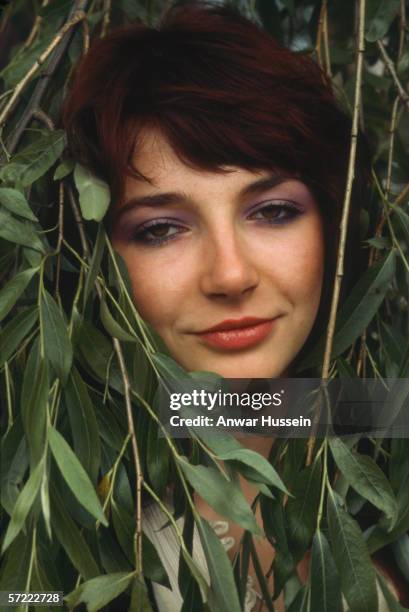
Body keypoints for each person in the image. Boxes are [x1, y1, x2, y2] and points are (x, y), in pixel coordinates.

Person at [62, 3, 399, 611]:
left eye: (272, 211)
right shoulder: (58, 535)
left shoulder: (383, 425)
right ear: (96, 261)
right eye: (161, 228)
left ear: (333, 225)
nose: (231, 275)